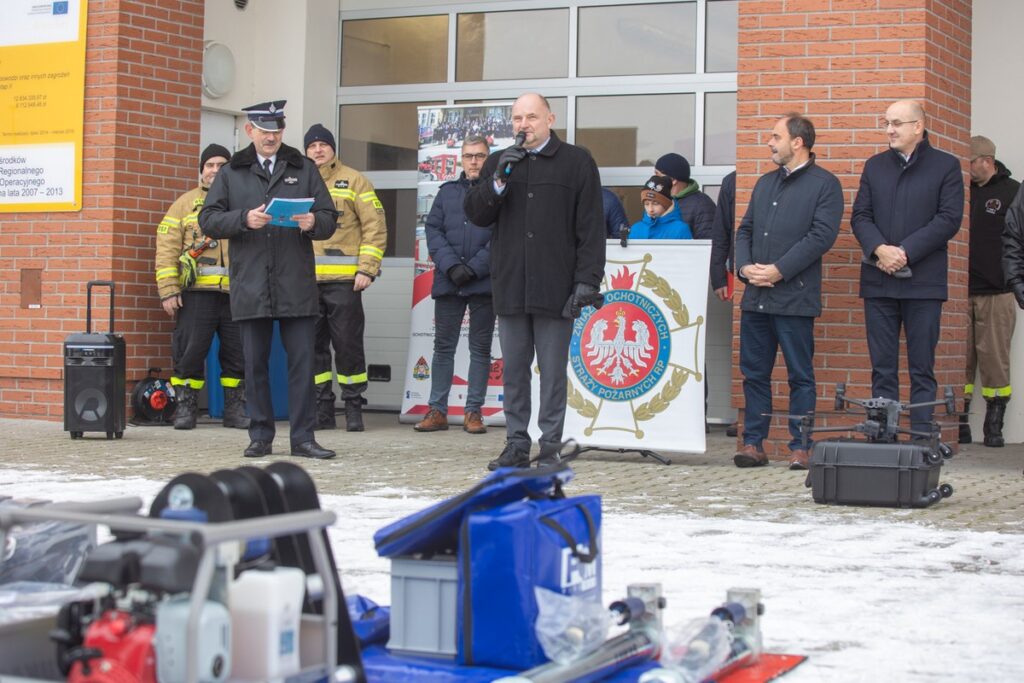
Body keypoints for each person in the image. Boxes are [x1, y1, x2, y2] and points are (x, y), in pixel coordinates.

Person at [464, 93, 605, 470]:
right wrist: (496, 180)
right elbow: (477, 215)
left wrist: (587, 281)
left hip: (556, 286)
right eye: (516, 119)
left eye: (531, 117)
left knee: (553, 373)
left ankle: (551, 446)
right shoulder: (500, 161)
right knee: (514, 371)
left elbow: (591, 228)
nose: (523, 125)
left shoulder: (577, 162)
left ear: (549, 119)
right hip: (511, 283)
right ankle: (515, 444)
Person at [199, 100, 338, 460]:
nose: (271, 137)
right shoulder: (232, 172)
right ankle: (260, 436)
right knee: (254, 364)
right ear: (250, 131)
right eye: (264, 131)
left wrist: (313, 223)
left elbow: (328, 217)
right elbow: (209, 220)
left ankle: (303, 439)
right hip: (251, 285)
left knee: (302, 364)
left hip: (295, 284)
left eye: (276, 130)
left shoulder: (302, 167)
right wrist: (243, 219)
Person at [734, 114, 843, 470]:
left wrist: (780, 270)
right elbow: (745, 229)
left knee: (800, 374)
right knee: (755, 374)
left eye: (775, 136)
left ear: (798, 142)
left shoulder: (826, 185)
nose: (769, 142)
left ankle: (801, 447)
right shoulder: (765, 184)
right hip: (757, 297)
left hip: (794, 298)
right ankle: (753, 444)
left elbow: (821, 237)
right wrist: (744, 267)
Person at [851, 100, 964, 439]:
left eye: (898, 123)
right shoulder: (874, 166)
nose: (890, 129)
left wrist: (905, 252)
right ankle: (883, 440)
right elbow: (860, 217)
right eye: (887, 122)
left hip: (923, 284)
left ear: (919, 126)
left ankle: (920, 443)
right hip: (878, 281)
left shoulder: (946, 166)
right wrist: (879, 250)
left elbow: (948, 219)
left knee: (921, 369)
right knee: (882, 369)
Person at [154, 144, 248, 430]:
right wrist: (169, 290)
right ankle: (185, 408)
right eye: (210, 165)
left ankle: (235, 409)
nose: (216, 170)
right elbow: (166, 249)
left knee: (238, 354)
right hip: (196, 293)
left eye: (222, 165)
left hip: (236, 294)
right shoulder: (184, 204)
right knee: (189, 352)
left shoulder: (243, 202)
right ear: (201, 170)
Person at [304, 123, 387, 433]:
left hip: (344, 280)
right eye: (312, 146)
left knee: (348, 346)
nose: (318, 150)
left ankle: (353, 406)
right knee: (313, 349)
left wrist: (367, 268)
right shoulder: (297, 181)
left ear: (332, 148)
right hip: (306, 283)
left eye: (323, 145)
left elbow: (375, 227)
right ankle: (322, 408)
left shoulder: (355, 181)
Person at [414, 135, 496, 435]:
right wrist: (452, 266)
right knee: (443, 348)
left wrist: (473, 269)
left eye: (480, 156)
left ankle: (473, 413)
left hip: (484, 283)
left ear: (489, 158)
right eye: (469, 156)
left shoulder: (498, 193)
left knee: (480, 349)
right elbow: (433, 230)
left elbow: (501, 236)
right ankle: (437, 411)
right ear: (461, 159)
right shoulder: (447, 193)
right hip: (449, 280)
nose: (474, 161)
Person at [962, 136, 1020, 447]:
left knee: (995, 361)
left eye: (969, 162)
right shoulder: (958, 190)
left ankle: (993, 427)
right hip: (959, 293)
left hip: (997, 293)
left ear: (986, 160)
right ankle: (959, 424)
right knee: (959, 362)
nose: (965, 168)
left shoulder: (1014, 192)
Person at [654, 153, 717, 239]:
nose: (654, 179)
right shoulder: (656, 202)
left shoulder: (702, 204)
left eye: (658, 175)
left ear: (673, 180)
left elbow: (707, 245)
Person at [628, 175, 692, 239]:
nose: (650, 209)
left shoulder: (681, 230)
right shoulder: (636, 229)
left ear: (666, 204)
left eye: (655, 204)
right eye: (646, 204)